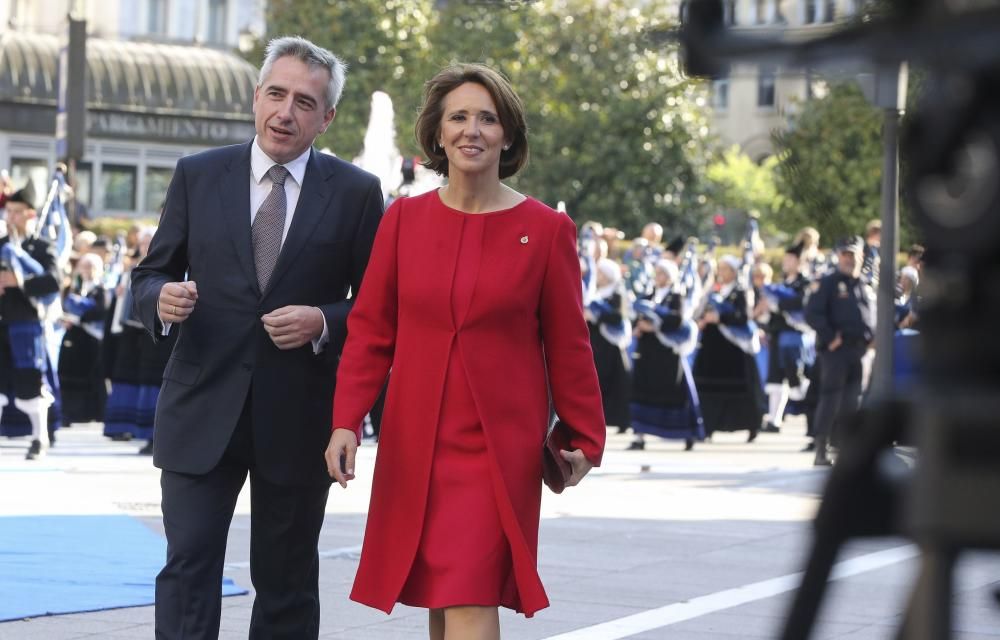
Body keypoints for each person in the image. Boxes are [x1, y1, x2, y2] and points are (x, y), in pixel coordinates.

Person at [325, 63, 606, 640]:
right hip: (415, 440)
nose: (471, 130)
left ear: (508, 136)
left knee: (471, 593)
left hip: (498, 448)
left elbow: (570, 346)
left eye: (487, 118)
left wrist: (584, 440)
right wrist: (345, 421)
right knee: (442, 598)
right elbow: (372, 331)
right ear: (437, 133)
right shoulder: (402, 219)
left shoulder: (547, 229)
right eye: (458, 117)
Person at [130, 36, 383, 639]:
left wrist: (323, 320)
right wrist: (160, 300)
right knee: (188, 567)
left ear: (327, 117)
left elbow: (377, 307)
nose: (284, 112)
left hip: (297, 417)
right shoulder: (199, 174)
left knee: (286, 579)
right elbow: (151, 274)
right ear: (255, 97)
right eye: (276, 93)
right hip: (199, 407)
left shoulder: (356, 192)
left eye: (304, 101)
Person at [0, 182, 60, 459]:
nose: (10, 217)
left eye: (16, 212)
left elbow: (54, 281)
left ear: (30, 214)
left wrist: (20, 281)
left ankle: (40, 438)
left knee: (31, 382)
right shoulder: (1, 245)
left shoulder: (40, 247)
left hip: (27, 323)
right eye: (8, 211)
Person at [805, 236, 877, 466]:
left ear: (861, 257)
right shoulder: (828, 283)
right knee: (830, 399)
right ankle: (821, 448)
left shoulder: (864, 284)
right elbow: (813, 313)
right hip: (836, 351)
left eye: (853, 255)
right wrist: (829, 336)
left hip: (859, 350)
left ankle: (845, 449)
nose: (849, 260)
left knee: (852, 403)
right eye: (845, 255)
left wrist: (872, 337)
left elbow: (869, 314)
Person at [629, 259, 704, 451]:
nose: (659, 277)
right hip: (647, 352)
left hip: (667, 353)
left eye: (662, 273)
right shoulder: (648, 294)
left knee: (674, 391)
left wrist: (655, 325)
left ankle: (685, 433)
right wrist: (637, 327)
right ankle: (639, 435)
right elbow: (636, 314)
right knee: (642, 390)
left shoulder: (676, 296)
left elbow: (677, 320)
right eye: (658, 273)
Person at [692, 254, 766, 442]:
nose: (722, 273)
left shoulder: (740, 292)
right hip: (713, 347)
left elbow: (743, 317)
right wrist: (703, 321)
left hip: (733, 349)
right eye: (721, 268)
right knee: (709, 390)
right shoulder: (713, 292)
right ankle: (708, 426)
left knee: (740, 389)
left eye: (726, 269)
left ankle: (750, 425)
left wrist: (721, 318)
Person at [760, 243, 814, 434]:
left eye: (790, 259)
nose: (786, 263)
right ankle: (774, 420)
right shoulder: (781, 284)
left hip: (794, 337)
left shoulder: (805, 283)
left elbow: (800, 304)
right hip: (777, 334)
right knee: (775, 379)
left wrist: (779, 303)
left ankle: (812, 413)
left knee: (796, 380)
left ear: (799, 262)